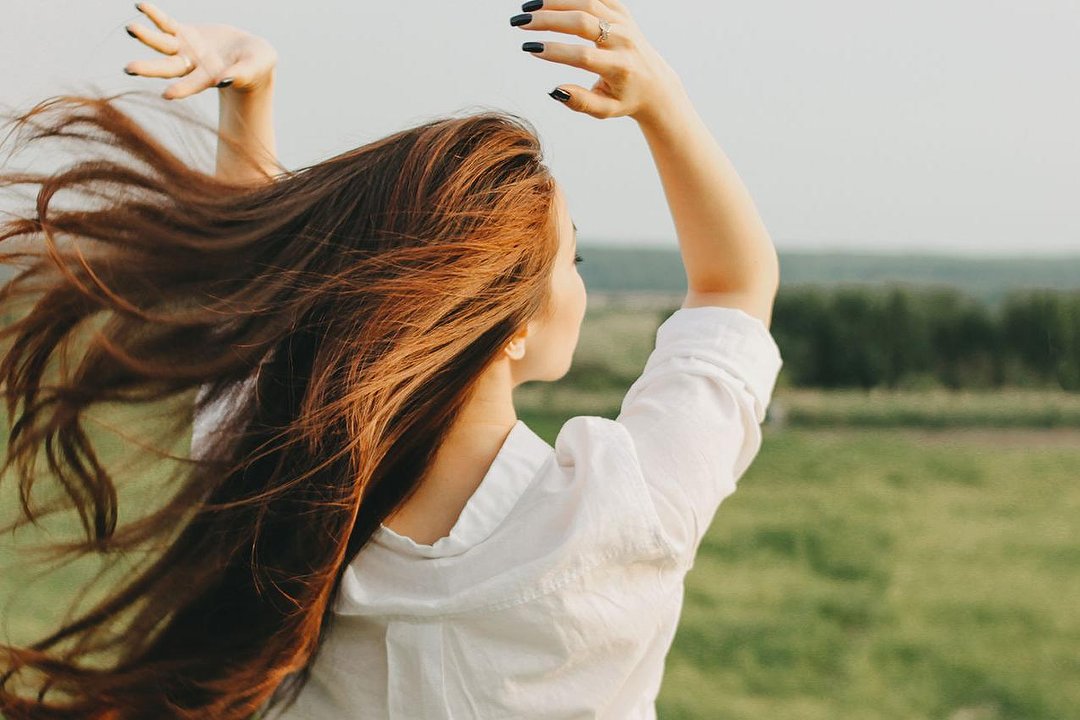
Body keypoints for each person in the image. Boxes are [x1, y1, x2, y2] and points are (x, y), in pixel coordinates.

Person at [0, 1, 782, 718]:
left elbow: (254, 324)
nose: (577, 280)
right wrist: (664, 101)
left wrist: (250, 96)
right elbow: (733, 287)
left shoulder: (282, 489)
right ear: (508, 320)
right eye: (571, 262)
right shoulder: (622, 512)